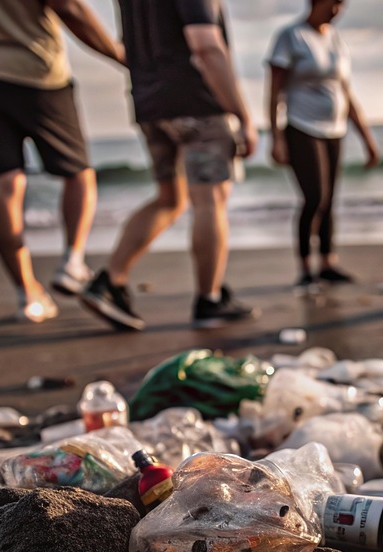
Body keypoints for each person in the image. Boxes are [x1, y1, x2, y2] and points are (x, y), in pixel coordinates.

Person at [0, 0, 124, 322]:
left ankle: (27, 294)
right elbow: (70, 8)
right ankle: (72, 262)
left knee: (1, 182)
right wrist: (119, 54)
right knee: (79, 173)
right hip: (37, 70)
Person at [80, 0, 259, 331]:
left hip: (150, 103)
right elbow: (206, 46)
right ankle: (210, 299)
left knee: (169, 199)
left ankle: (110, 280)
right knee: (211, 201)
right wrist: (242, 115)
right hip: (197, 102)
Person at [266, 0, 380, 289]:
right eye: (333, 3)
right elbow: (274, 91)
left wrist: (367, 139)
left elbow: (346, 93)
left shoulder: (335, 39)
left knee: (329, 200)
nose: (337, 10)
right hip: (301, 127)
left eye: (342, 5)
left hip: (335, 130)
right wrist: (276, 137)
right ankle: (306, 269)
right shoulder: (291, 36)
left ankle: (328, 263)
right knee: (315, 197)